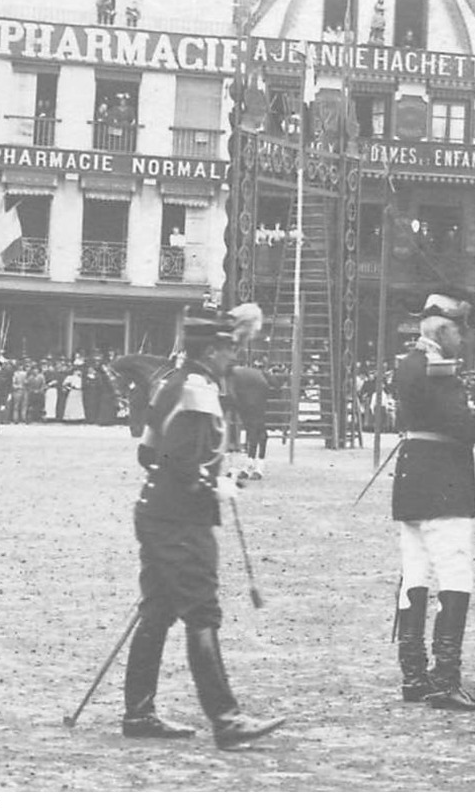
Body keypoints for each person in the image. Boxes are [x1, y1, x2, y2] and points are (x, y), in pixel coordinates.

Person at [122, 303, 284, 748]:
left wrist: (203, 474)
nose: (233, 357)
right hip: (180, 517)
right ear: (211, 351)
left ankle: (138, 713)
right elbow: (178, 458)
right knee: (202, 611)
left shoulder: (171, 382)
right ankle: (226, 719)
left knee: (157, 610)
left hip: (159, 509)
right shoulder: (198, 390)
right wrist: (210, 482)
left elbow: (148, 453)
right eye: (228, 349)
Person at [390, 288, 475, 711]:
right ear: (443, 328)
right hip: (443, 481)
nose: (464, 339)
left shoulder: (408, 363)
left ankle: (413, 673)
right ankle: (445, 679)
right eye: (461, 330)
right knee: (455, 574)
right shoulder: (438, 368)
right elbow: (460, 424)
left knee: (415, 575)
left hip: (412, 479)